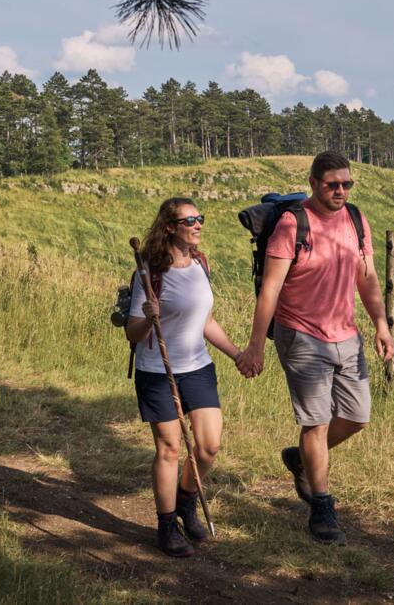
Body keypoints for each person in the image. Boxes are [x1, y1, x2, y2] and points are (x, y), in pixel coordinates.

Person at [235, 151, 394, 544]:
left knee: (358, 417)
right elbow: (270, 289)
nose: (340, 191)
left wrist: (380, 325)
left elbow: (367, 276)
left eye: (346, 184)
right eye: (332, 185)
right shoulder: (293, 224)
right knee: (316, 422)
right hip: (301, 336)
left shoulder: (357, 220)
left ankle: (301, 458)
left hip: (346, 334)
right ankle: (322, 509)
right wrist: (255, 345)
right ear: (313, 183)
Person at [125, 197, 242, 558]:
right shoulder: (148, 271)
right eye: (189, 220)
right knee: (171, 448)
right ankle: (166, 525)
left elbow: (204, 321)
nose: (197, 224)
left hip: (198, 367)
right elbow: (132, 333)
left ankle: (187, 500)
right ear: (169, 227)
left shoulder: (201, 264)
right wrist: (148, 315)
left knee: (208, 447)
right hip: (158, 370)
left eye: (199, 218)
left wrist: (237, 354)